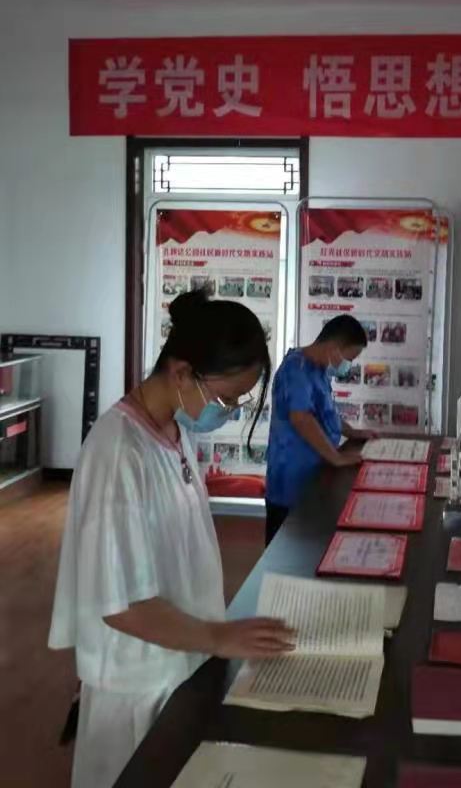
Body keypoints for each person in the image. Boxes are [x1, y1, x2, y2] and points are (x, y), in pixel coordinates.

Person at [48, 289, 295, 788]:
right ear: (181, 373)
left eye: (240, 401)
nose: (229, 411)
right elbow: (121, 605)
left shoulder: (173, 434)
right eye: (226, 399)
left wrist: (215, 634)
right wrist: (219, 637)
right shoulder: (118, 453)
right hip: (136, 683)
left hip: (180, 661)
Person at [265, 314, 375, 545]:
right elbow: (301, 419)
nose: (348, 365)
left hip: (314, 475)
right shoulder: (296, 369)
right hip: (291, 482)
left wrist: (353, 433)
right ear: (334, 348)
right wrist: (336, 457)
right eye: (349, 358)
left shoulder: (318, 369)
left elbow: (326, 414)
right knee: (285, 550)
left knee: (311, 546)